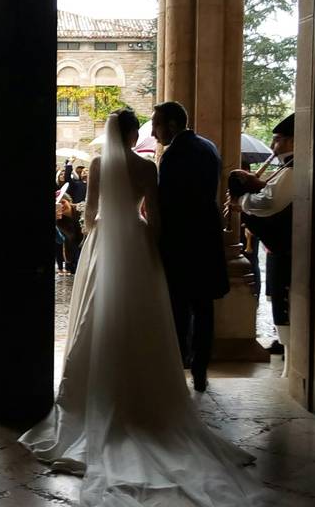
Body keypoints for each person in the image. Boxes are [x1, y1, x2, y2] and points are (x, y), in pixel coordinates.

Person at [19, 108, 265, 506]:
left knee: (97, 314)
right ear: (133, 135)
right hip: (136, 242)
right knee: (145, 316)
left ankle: (95, 387)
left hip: (104, 243)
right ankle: (153, 389)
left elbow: (90, 211)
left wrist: (93, 236)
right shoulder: (149, 166)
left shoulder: (98, 164)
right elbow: (155, 218)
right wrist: (151, 246)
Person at [151, 101, 229, 392]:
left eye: (157, 125)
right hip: (206, 240)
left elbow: (168, 204)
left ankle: (180, 365)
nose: (155, 132)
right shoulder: (209, 147)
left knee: (179, 307)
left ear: (171, 124)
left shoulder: (173, 156)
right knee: (204, 307)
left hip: (182, 243)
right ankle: (200, 370)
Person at [232, 114, 294, 375]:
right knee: (279, 300)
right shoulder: (286, 167)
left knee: (285, 302)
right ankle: (289, 359)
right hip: (282, 250)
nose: (274, 145)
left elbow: (269, 203)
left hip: (289, 250)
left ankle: (292, 362)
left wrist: (243, 198)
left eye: (278, 140)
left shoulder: (293, 169)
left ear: (292, 141)